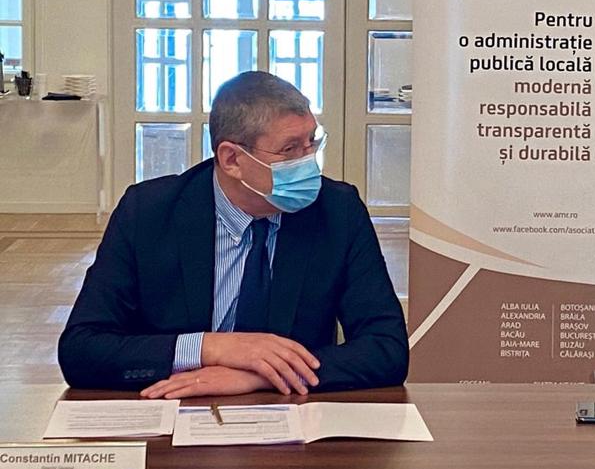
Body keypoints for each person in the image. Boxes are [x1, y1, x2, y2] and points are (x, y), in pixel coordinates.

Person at [59, 71, 409, 398]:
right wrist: (211, 348)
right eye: (290, 149)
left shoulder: (337, 211)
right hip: (173, 409)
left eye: (311, 142)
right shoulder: (149, 212)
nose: (309, 162)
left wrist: (261, 375)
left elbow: (387, 348)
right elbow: (82, 349)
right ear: (231, 159)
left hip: (290, 416)